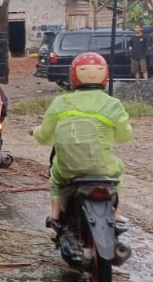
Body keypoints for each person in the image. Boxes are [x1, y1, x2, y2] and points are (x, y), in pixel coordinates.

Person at [32, 52, 132, 226]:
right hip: (102, 168)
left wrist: (35, 132)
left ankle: (55, 214)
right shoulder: (112, 104)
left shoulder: (60, 102)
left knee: (55, 178)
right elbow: (124, 136)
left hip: (68, 169)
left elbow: (45, 137)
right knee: (117, 171)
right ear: (105, 75)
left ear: (73, 75)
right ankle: (116, 213)